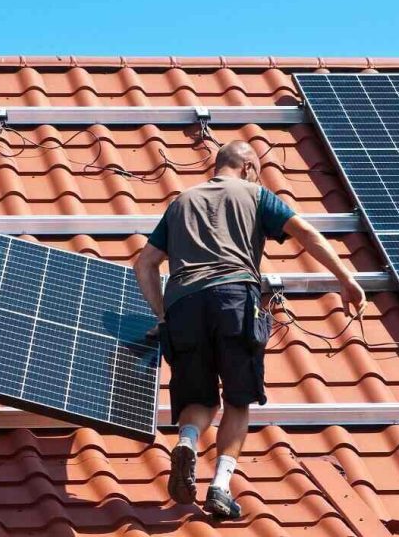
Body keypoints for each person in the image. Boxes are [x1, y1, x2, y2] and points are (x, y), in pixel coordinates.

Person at [133, 140, 366, 519]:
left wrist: (163, 316)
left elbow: (144, 265)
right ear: (247, 167)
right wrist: (345, 277)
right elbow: (305, 232)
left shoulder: (180, 204)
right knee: (237, 398)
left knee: (199, 398)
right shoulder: (256, 194)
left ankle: (188, 442)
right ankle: (221, 487)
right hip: (233, 298)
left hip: (184, 305)